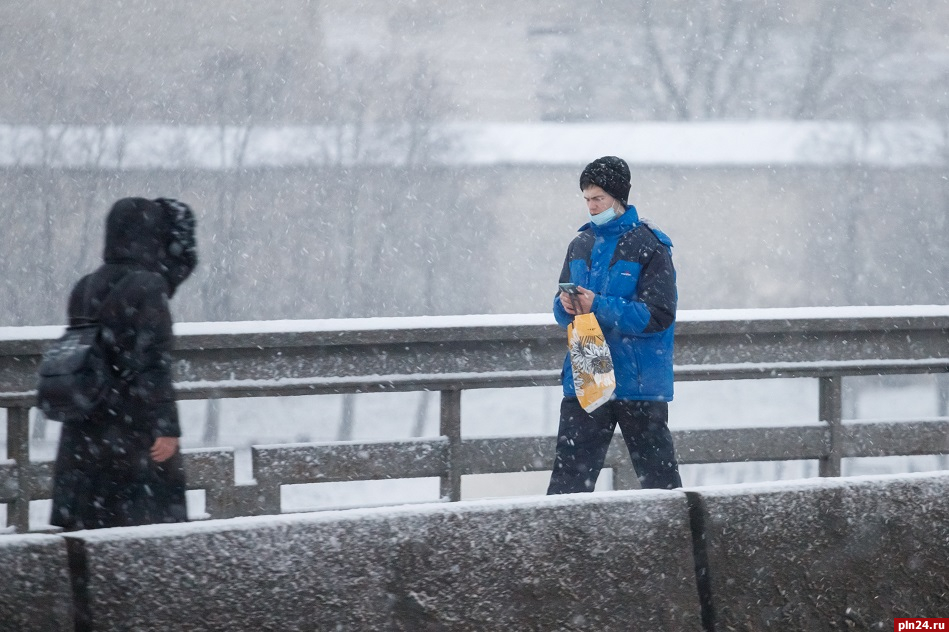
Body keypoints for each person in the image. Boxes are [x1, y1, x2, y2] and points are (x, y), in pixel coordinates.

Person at [50, 197, 197, 531]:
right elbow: (152, 361)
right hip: (133, 427)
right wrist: (166, 427)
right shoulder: (149, 286)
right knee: (146, 535)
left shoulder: (86, 285)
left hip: (87, 427)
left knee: (92, 531)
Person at [547, 156, 682, 494]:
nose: (592, 207)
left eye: (599, 199)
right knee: (568, 485)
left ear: (618, 199)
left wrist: (599, 306)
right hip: (588, 370)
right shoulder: (580, 244)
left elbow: (658, 315)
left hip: (638, 380)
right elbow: (561, 310)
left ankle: (677, 543)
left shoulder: (650, 246)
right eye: (587, 199)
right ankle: (564, 546)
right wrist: (565, 306)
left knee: (660, 485)